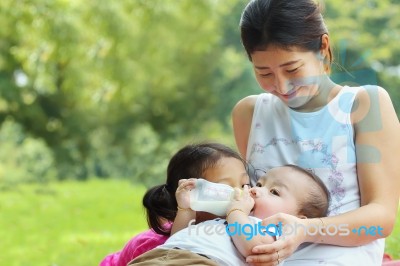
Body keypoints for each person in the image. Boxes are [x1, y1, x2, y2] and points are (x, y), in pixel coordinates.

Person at [232, 0, 400, 265]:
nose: (281, 85)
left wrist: (306, 230)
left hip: (337, 255)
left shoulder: (363, 105)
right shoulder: (249, 113)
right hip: (263, 255)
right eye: (263, 72)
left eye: (292, 69)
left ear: (323, 47)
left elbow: (381, 218)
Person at [128, 165, 330, 265]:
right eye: (259, 184)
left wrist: (236, 211)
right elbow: (180, 237)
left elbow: (253, 249)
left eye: (274, 192)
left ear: (297, 219)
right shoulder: (226, 217)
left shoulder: (273, 232)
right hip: (159, 256)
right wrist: (185, 209)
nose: (255, 190)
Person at [100, 142, 249, 266]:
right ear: (191, 193)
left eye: (244, 185)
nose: (239, 193)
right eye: (226, 186)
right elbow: (180, 246)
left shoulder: (241, 227)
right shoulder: (151, 246)